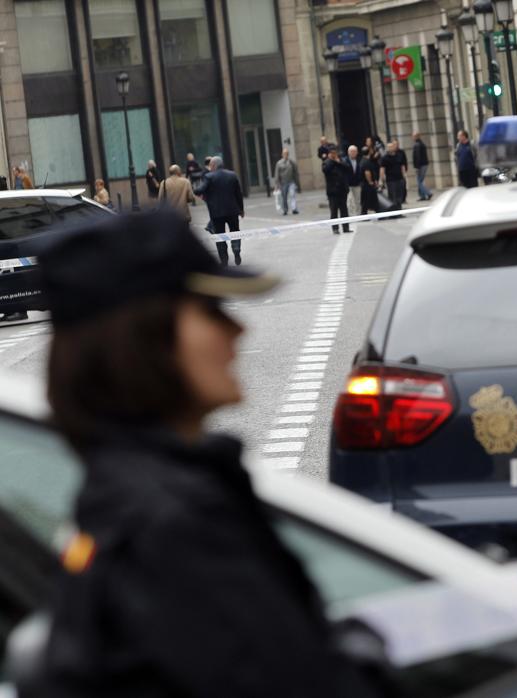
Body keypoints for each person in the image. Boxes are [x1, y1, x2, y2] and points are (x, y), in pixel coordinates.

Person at [25, 211, 387, 698]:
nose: (237, 331)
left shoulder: (123, 496)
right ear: (142, 339)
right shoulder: (176, 521)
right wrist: (367, 649)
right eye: (211, 310)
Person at [199, 156, 245, 265]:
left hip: (217, 213)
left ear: (214, 165)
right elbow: (238, 194)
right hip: (232, 211)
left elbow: (200, 189)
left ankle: (224, 259)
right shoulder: (232, 175)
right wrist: (241, 209)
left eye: (210, 165)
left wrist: (200, 193)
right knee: (235, 231)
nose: (209, 167)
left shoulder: (209, 177)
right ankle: (236, 250)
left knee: (220, 235)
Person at [322, 149, 352, 234]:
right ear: (329, 154)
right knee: (334, 211)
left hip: (342, 190)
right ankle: (335, 228)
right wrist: (332, 161)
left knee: (344, 210)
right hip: (333, 192)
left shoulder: (341, 161)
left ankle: (346, 227)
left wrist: (338, 161)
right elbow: (325, 170)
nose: (334, 155)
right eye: (332, 153)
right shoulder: (327, 162)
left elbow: (348, 168)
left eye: (335, 153)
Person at [380, 141, 408, 208]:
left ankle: (399, 210)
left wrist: (404, 175)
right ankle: (393, 211)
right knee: (393, 196)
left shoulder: (398, 156)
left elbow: (402, 166)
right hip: (391, 180)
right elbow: (382, 169)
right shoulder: (384, 158)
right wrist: (382, 179)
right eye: (389, 147)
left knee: (399, 196)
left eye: (391, 147)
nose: (390, 148)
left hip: (399, 178)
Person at [272, 148, 300, 216]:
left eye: (287, 154)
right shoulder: (279, 163)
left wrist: (297, 183)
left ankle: (294, 209)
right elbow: (277, 174)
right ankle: (285, 209)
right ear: (282, 154)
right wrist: (276, 185)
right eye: (284, 154)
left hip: (291, 182)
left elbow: (295, 172)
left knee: (292, 195)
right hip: (283, 183)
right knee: (284, 197)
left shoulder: (292, 162)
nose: (286, 155)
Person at [361, 147, 383, 215]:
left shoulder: (362, 160)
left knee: (366, 200)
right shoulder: (366, 162)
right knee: (373, 199)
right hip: (368, 184)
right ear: (369, 152)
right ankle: (378, 213)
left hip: (364, 184)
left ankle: (364, 213)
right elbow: (367, 172)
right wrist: (370, 182)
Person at [345, 145, 365, 217]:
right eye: (351, 151)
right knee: (350, 200)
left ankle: (358, 214)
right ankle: (351, 215)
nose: (353, 153)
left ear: (357, 152)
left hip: (357, 183)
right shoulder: (345, 161)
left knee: (358, 200)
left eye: (354, 151)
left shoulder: (360, 160)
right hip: (348, 184)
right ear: (348, 152)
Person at [411, 131, 431, 201]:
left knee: (419, 181)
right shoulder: (422, 144)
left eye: (413, 136)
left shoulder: (417, 145)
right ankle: (422, 196)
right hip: (424, 164)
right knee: (420, 181)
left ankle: (428, 193)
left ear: (416, 137)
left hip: (420, 165)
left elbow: (417, 157)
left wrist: (417, 167)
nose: (412, 137)